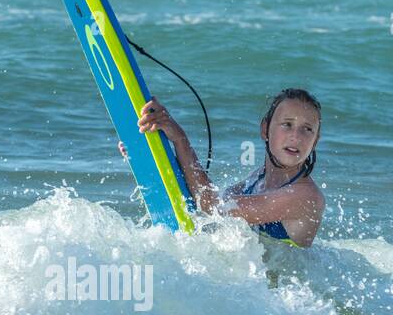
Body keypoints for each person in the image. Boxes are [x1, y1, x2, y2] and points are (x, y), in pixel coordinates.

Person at [119, 88, 326, 247]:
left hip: (286, 300)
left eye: (307, 129)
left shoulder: (305, 196)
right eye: (287, 124)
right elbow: (207, 205)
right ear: (265, 129)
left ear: (315, 141)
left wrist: (180, 138)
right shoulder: (260, 179)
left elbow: (212, 205)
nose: (296, 136)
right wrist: (154, 153)